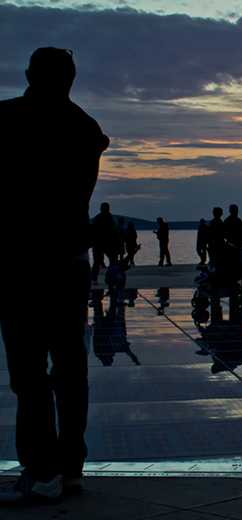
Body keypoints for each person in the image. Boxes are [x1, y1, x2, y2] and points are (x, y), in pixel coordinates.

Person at [0, 47, 109, 503]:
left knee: (30, 374)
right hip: (69, 263)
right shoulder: (85, 129)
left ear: (30, 75)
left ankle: (42, 468)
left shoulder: (8, 119)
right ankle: (70, 469)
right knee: (70, 369)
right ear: (71, 78)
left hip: (23, 263)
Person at [90, 202, 118, 283]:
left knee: (98, 262)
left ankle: (95, 278)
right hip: (105, 243)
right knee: (111, 260)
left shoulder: (98, 218)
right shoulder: (110, 218)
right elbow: (115, 230)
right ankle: (107, 277)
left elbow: (93, 231)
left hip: (101, 243)